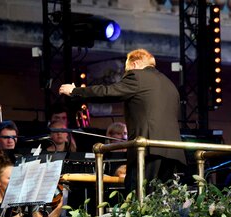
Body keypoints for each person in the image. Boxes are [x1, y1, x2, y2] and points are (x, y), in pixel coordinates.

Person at [59, 49, 186, 193]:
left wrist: (75, 91)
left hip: (148, 150)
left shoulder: (138, 76)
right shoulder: (170, 85)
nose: (126, 75)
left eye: (126, 71)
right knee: (163, 202)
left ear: (135, 64)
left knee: (137, 197)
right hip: (173, 151)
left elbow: (108, 92)